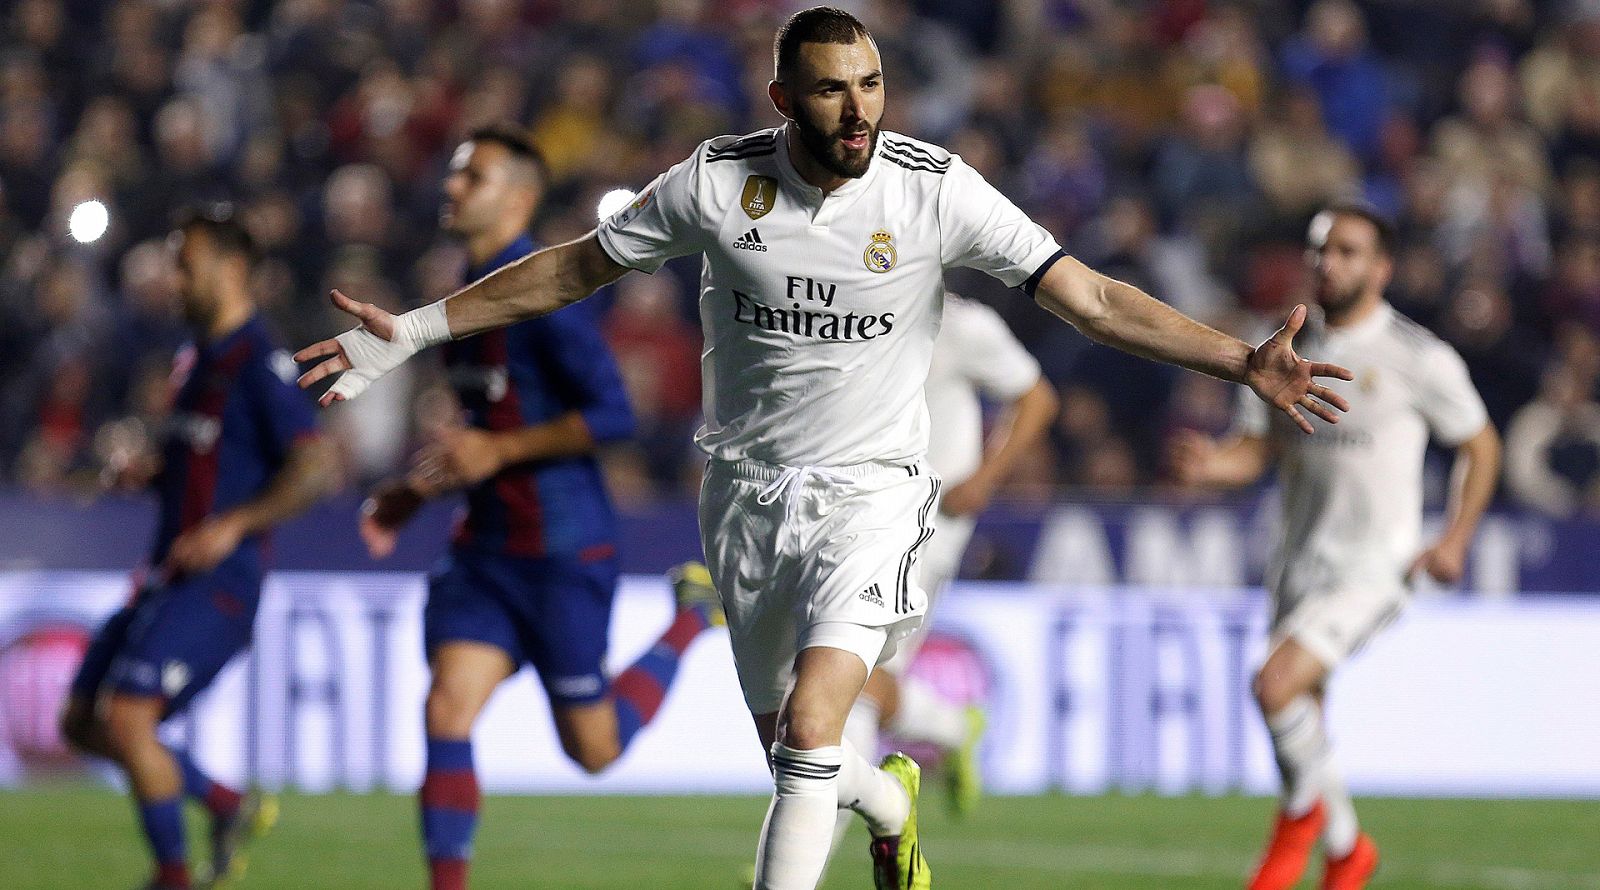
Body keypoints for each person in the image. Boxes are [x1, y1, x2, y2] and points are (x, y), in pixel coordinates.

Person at [295, 9, 1351, 889]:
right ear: (782, 99)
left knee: (808, 733)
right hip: (745, 500)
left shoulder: (933, 187)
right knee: (808, 761)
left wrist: (1234, 359)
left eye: (873, 84)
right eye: (834, 90)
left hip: (874, 495)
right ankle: (892, 806)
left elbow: (1091, 295)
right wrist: (419, 331)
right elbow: (571, 270)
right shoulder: (715, 183)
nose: (860, 110)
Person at [353, 125, 724, 890]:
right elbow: (482, 436)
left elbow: (617, 416)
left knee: (592, 751)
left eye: (473, 177)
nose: (451, 189)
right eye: (454, 175)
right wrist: (415, 490)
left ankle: (689, 619)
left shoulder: (548, 303)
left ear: (519, 198)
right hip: (487, 552)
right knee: (446, 709)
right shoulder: (461, 303)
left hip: (563, 550)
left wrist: (499, 453)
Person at [1171, 203, 1501, 890]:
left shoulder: (1417, 355)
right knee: (1304, 716)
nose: (1329, 262)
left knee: (1274, 684)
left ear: (1381, 268)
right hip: (1297, 561)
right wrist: (1210, 466)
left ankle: (1295, 828)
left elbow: (1481, 442)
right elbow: (1255, 451)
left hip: (1374, 565)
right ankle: (1349, 852)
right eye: (1321, 250)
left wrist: (1456, 537)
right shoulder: (1281, 350)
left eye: (1348, 251)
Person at [59, 207, 337, 890]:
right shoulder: (195, 363)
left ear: (232, 269)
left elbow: (314, 467)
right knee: (80, 722)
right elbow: (199, 464)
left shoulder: (259, 360)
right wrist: (149, 472)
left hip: (220, 582)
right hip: (164, 575)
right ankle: (226, 804)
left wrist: (235, 525)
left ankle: (173, 878)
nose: (172, 279)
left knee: (129, 717)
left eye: (186, 265)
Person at [848, 292, 1058, 816]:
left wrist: (985, 478)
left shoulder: (963, 324)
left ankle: (797, 870)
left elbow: (1036, 397)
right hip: (856, 521)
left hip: (928, 530)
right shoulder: (853, 309)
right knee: (850, 681)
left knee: (848, 684)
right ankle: (950, 724)